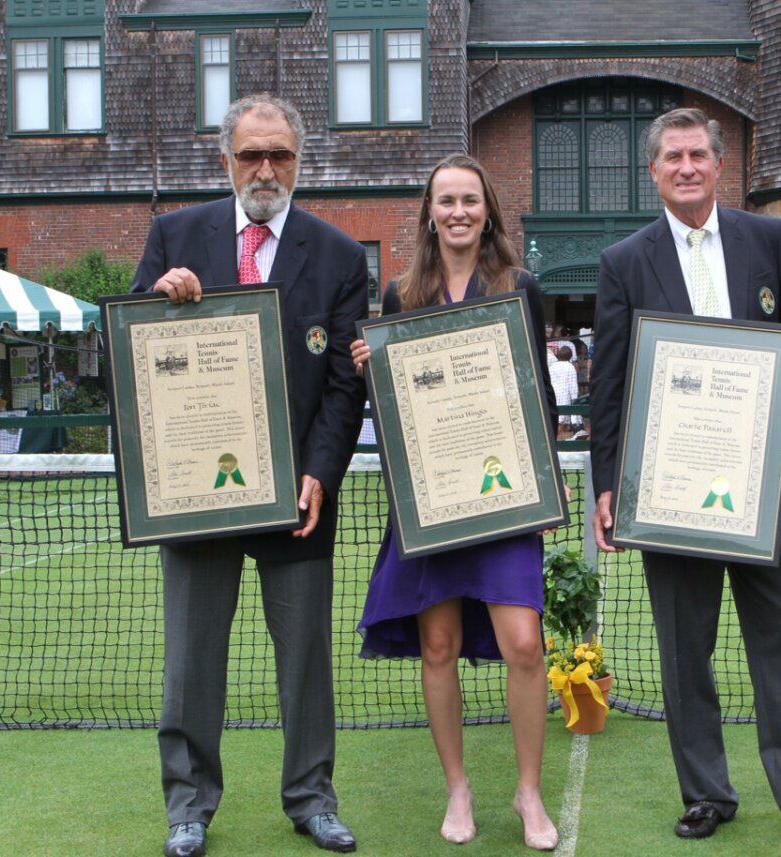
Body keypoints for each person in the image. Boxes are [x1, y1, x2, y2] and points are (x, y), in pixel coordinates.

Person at [590, 107, 781, 855]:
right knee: (683, 650)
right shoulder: (623, 261)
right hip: (666, 495)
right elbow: (609, 387)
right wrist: (607, 481)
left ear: (717, 162)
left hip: (764, 489)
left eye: (699, 153)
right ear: (654, 171)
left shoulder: (765, 238)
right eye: (673, 157)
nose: (687, 167)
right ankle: (706, 793)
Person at [132, 94, 367, 857]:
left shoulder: (336, 253)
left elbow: (344, 385)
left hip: (295, 499)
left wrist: (321, 474)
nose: (266, 169)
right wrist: (154, 299)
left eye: (281, 155)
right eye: (251, 154)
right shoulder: (174, 235)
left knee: (305, 665)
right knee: (191, 662)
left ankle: (311, 797)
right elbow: (132, 349)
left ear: (300, 160)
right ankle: (189, 807)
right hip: (196, 499)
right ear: (224, 158)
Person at [349, 154, 560, 852]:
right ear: (429, 211)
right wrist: (373, 373)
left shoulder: (519, 286)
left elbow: (539, 396)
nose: (460, 211)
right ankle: (458, 786)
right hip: (434, 500)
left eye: (471, 199)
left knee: (524, 644)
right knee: (435, 644)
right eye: (447, 200)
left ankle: (528, 790)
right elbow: (396, 412)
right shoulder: (399, 297)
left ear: (488, 210)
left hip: (503, 497)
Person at [548, 345, 580, 438]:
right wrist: (575, 397)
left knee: (557, 419)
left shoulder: (553, 366)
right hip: (565, 394)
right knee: (563, 420)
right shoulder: (570, 366)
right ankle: (558, 439)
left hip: (554, 393)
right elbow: (573, 383)